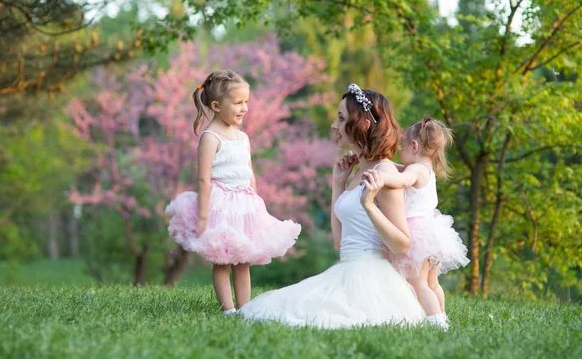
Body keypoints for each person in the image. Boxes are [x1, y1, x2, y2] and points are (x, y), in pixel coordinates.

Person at [238, 83, 426, 328]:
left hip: (371, 277)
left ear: (363, 125)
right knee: (277, 306)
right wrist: (338, 183)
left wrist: (369, 205)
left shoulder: (385, 174)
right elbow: (339, 243)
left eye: (340, 118)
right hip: (346, 268)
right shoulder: (360, 171)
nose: (334, 126)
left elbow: (402, 245)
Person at [165, 70, 301, 315]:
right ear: (216, 105)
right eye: (238, 103)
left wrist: (257, 202)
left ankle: (245, 308)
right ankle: (228, 309)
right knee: (222, 260)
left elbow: (249, 171)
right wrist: (204, 216)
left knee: (242, 260)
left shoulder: (242, 137)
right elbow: (203, 179)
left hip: (244, 205)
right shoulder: (210, 137)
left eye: (246, 102)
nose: (244, 108)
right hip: (219, 205)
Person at [364, 116, 469, 328]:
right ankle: (442, 315)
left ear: (414, 146)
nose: (399, 151)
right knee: (432, 283)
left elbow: (401, 179)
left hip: (417, 235)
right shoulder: (425, 169)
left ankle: (436, 321)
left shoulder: (415, 170)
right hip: (433, 234)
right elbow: (399, 169)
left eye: (402, 146)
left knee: (418, 283)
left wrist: (381, 178)